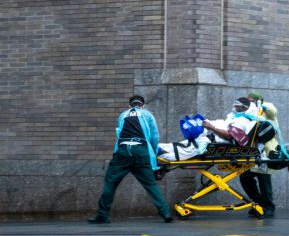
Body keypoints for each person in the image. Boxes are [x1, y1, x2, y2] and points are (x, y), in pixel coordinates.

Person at [88, 95, 173, 224]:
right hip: (141, 151)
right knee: (150, 184)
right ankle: (166, 213)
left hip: (123, 153)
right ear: (143, 105)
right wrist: (153, 154)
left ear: (129, 105)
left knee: (110, 183)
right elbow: (154, 137)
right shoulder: (148, 115)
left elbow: (119, 135)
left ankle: (102, 215)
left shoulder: (122, 115)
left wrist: (117, 154)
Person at [157, 97, 256, 161]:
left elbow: (229, 136)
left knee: (182, 151)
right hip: (208, 140)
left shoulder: (242, 120)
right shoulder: (235, 117)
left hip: (213, 144)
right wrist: (207, 123)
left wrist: (212, 127)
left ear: (244, 108)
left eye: (237, 107)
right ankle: (156, 148)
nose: (234, 108)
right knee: (182, 145)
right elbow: (224, 126)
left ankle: (158, 153)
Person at [240, 91, 278, 218]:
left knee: (264, 180)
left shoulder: (267, 111)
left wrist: (261, 105)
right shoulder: (250, 113)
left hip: (265, 152)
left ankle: (269, 207)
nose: (250, 104)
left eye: (252, 101)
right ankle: (258, 203)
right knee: (245, 177)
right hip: (251, 152)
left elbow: (272, 111)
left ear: (258, 100)